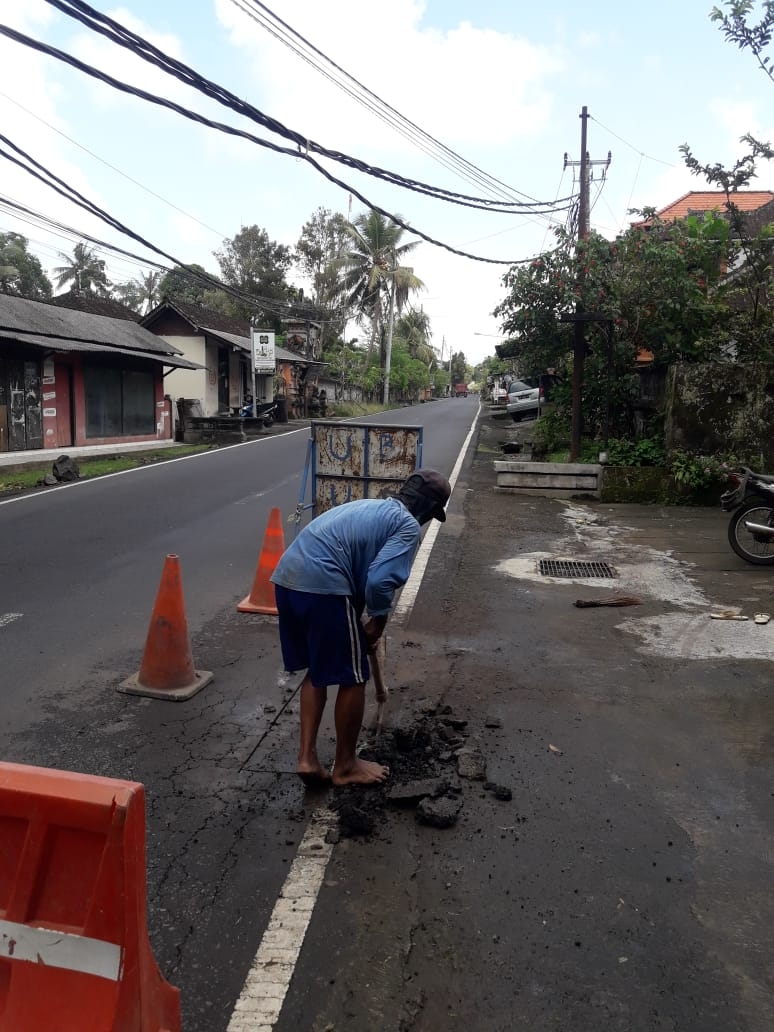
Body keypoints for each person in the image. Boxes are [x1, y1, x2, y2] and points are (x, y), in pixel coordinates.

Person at [270, 468, 452, 787]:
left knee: (319, 669)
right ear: (427, 508)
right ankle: (346, 766)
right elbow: (380, 581)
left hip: (287, 580)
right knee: (353, 677)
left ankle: (307, 759)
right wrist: (378, 621)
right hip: (323, 586)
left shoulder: (369, 507)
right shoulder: (406, 525)